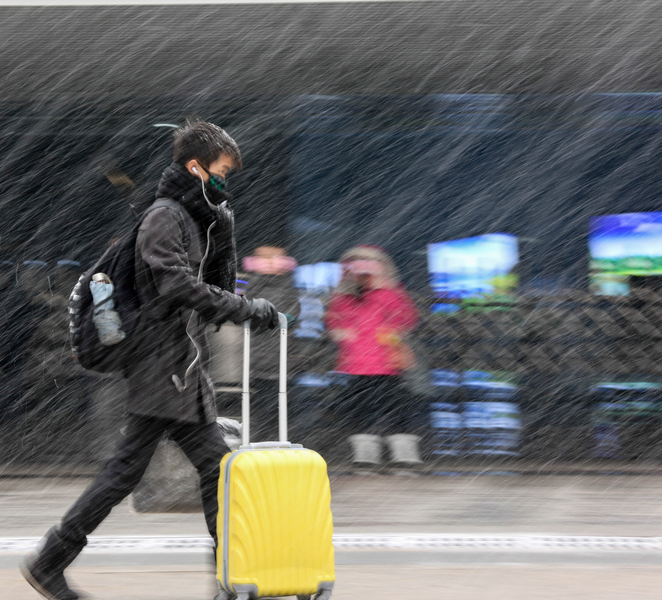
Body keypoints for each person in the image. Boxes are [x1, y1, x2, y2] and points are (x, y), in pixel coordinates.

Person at [21, 120, 280, 600]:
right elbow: (176, 286)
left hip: (175, 361)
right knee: (209, 471)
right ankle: (229, 578)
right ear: (195, 167)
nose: (226, 183)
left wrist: (222, 228)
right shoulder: (166, 216)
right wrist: (246, 310)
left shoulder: (191, 217)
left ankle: (51, 560)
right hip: (163, 363)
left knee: (150, 471)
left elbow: (210, 284)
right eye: (221, 173)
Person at [323, 245, 419, 462]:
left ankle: (402, 452)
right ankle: (367, 454)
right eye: (356, 265)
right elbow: (333, 321)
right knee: (363, 408)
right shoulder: (344, 298)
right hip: (358, 363)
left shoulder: (390, 294)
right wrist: (343, 333)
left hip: (386, 362)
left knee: (393, 407)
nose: (362, 271)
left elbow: (406, 318)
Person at [241, 246, 301, 442]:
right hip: (258, 358)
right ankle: (260, 439)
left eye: (274, 259)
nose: (269, 263)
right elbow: (242, 310)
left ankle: (278, 439)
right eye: (264, 259)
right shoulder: (249, 284)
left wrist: (271, 320)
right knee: (261, 403)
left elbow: (292, 315)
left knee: (280, 402)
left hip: (281, 357)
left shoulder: (289, 286)